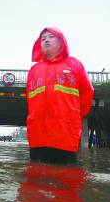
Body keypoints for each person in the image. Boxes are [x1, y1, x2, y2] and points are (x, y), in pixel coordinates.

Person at [26, 27, 94, 163]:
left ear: (61, 42)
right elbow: (30, 100)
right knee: (35, 179)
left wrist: (70, 118)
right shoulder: (34, 70)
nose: (46, 40)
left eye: (51, 37)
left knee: (66, 179)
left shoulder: (75, 65)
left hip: (65, 136)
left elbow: (87, 96)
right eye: (43, 39)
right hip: (38, 136)